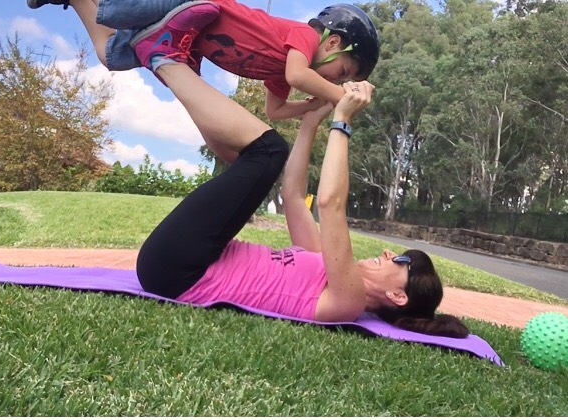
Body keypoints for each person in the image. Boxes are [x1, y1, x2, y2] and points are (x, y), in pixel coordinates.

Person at [113, 55, 468, 337]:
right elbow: (294, 196)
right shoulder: (325, 266)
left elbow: (330, 204)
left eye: (402, 261)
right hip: (193, 258)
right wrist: (312, 123)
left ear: (398, 296)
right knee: (262, 154)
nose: (391, 253)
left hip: (181, 271)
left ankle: (162, 59)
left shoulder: (348, 300)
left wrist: (342, 122)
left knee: (267, 151)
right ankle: (173, 65)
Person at [27, 0, 380, 120]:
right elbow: (299, 74)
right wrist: (340, 98)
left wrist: (310, 107)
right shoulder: (304, 37)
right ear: (333, 41)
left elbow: (274, 111)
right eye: (342, 72)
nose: (335, 81)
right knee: (116, 10)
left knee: (112, 56)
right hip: (192, 5)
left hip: (187, 35)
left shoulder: (285, 74)